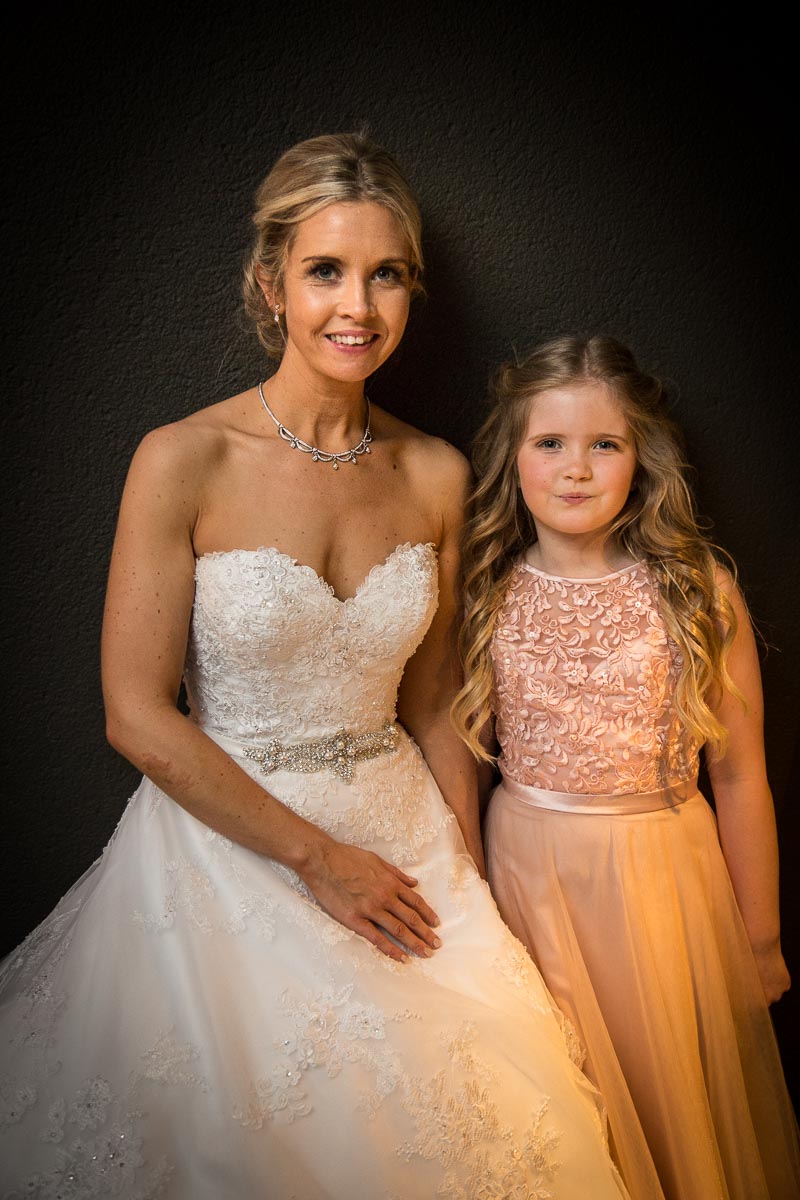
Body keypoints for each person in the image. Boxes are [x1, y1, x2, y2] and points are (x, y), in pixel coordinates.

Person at [0, 137, 628, 1199]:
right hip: (228, 846)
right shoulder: (182, 460)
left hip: (405, 840)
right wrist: (317, 860)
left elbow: (433, 705)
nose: (357, 307)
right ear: (271, 283)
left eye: (386, 275)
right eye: (325, 271)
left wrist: (469, 877)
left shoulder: (434, 472)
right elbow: (135, 714)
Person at [453, 333, 800, 1200]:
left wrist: (761, 939)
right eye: (550, 443)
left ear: (641, 461)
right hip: (529, 879)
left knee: (668, 1096)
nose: (576, 469)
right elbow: (463, 762)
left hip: (662, 884)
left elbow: (739, 775)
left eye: (604, 444)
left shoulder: (697, 589)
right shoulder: (485, 591)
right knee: (564, 1108)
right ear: (513, 458)